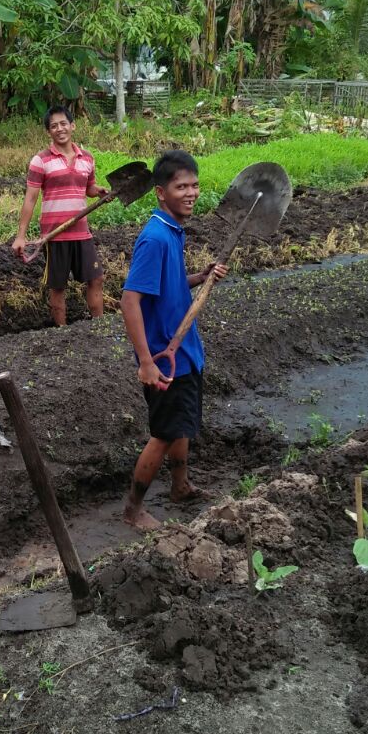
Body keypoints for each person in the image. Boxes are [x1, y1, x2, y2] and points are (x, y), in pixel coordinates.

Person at [120, 149, 227, 530]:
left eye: (195, 185)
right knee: (164, 433)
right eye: (181, 186)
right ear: (161, 193)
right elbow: (130, 299)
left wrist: (200, 277)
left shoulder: (171, 231)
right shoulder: (155, 238)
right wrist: (147, 361)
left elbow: (165, 286)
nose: (191, 192)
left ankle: (180, 487)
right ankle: (133, 509)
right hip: (164, 358)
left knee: (180, 424)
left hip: (184, 352)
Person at [12, 106, 109, 326]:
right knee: (58, 286)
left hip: (81, 233)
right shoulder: (41, 161)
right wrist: (21, 236)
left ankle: (100, 326)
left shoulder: (87, 158)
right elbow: (30, 199)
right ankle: (61, 333)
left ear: (72, 126)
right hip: (55, 235)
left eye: (63, 123)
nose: (59, 129)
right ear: (48, 132)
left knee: (96, 279)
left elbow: (88, 187)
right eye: (53, 126)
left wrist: (99, 191)